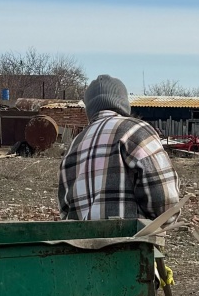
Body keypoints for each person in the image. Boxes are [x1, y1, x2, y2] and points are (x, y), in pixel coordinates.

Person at [60, 74, 182, 220]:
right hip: (130, 239)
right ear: (123, 102)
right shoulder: (135, 130)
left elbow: (65, 209)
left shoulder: (74, 144)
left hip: (79, 241)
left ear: (89, 108)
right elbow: (164, 200)